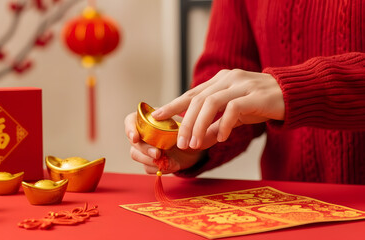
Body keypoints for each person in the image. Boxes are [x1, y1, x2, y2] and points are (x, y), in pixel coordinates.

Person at [125, 0, 365, 184]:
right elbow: (229, 67)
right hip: (287, 209)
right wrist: (194, 137)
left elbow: (268, 89)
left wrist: (297, 88)